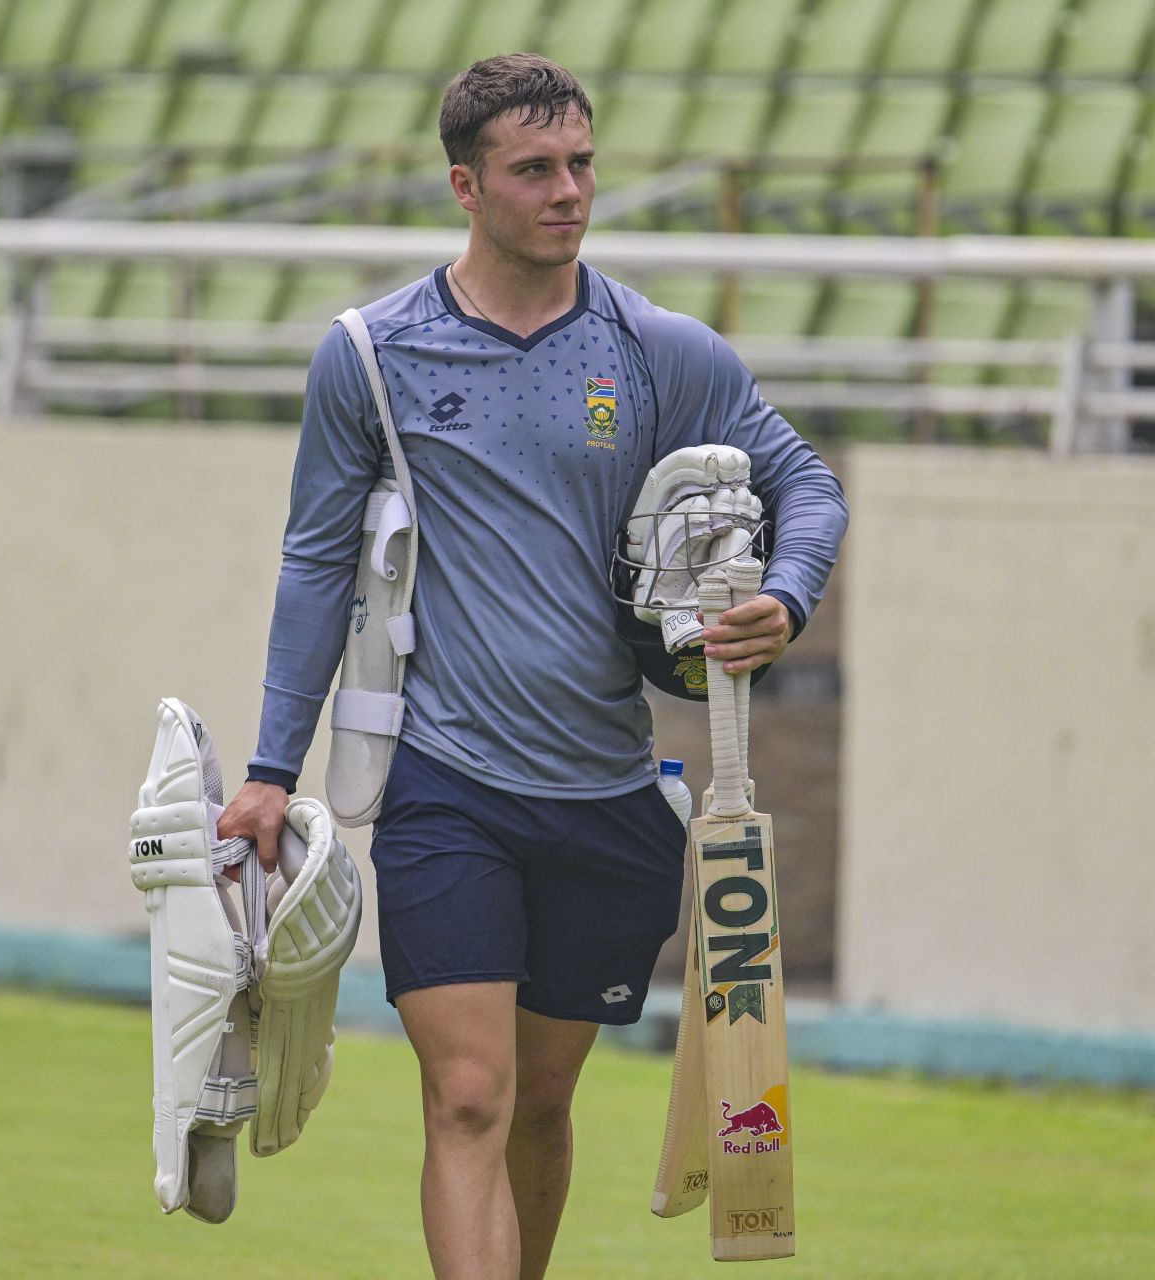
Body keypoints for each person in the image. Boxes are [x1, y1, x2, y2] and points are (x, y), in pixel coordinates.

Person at [217, 53, 848, 1280]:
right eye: (535, 169)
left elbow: (805, 482)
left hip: (611, 795)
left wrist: (787, 592)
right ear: (466, 185)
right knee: (468, 1092)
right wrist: (268, 768)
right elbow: (315, 564)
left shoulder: (658, 350)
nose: (570, 191)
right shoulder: (371, 353)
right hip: (446, 787)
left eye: (582, 164)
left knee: (542, 1105)